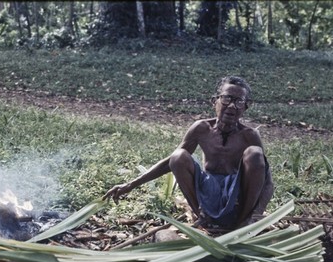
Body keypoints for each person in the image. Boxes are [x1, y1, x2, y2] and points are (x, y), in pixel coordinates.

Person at [103, 75, 274, 229]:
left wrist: (257, 214)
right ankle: (202, 216)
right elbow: (171, 162)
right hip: (208, 194)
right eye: (226, 98)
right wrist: (130, 185)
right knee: (179, 156)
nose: (231, 106)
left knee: (255, 154)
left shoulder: (249, 136)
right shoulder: (201, 128)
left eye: (238, 101)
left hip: (236, 199)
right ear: (214, 101)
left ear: (245, 107)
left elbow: (266, 182)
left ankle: (243, 221)